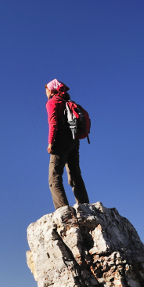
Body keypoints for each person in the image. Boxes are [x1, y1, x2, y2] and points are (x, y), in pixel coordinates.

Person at [45, 79, 89, 209]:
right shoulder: (67, 102)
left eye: (46, 90)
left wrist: (50, 143)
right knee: (75, 174)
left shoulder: (53, 102)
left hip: (60, 139)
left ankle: (63, 210)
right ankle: (85, 206)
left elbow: (53, 123)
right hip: (74, 140)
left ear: (51, 90)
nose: (45, 93)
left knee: (54, 177)